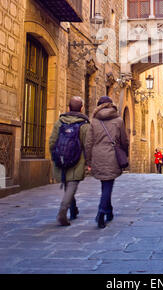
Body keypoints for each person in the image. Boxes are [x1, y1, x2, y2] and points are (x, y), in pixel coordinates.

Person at [85, 96, 129, 229]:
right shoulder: (119, 120)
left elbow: (88, 143)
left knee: (106, 184)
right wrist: (125, 154)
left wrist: (88, 160)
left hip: (98, 155)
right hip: (112, 156)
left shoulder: (93, 121)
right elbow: (124, 141)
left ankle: (108, 211)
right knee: (108, 184)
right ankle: (102, 211)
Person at [49, 96, 89, 226]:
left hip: (61, 159)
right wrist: (89, 162)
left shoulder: (60, 122)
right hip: (77, 160)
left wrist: (56, 156)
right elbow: (87, 145)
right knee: (72, 185)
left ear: (68, 107)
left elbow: (52, 142)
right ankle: (63, 211)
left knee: (68, 184)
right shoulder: (84, 125)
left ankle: (73, 209)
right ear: (81, 108)